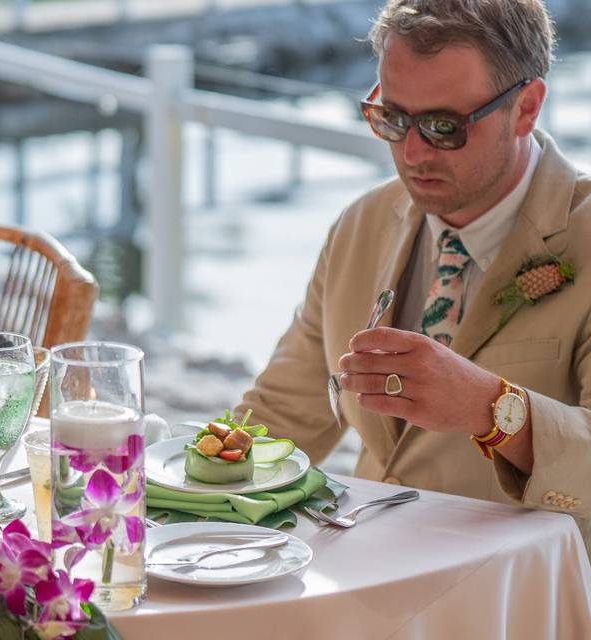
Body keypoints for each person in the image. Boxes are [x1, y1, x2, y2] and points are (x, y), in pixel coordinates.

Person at [235, 0, 591, 552]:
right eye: (393, 119)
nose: (412, 152)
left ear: (526, 108)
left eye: (444, 126)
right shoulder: (362, 224)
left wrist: (491, 409)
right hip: (370, 586)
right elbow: (281, 417)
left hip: (529, 604)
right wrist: (160, 485)